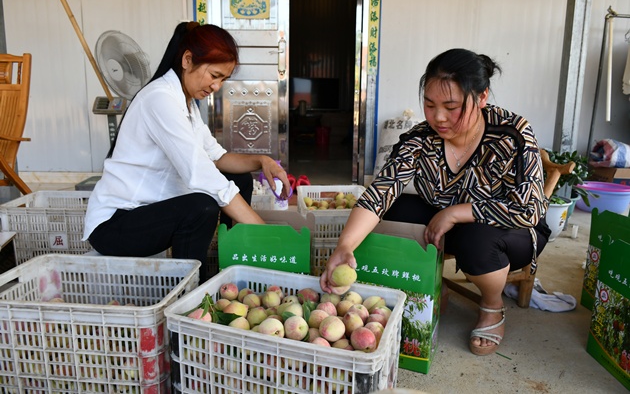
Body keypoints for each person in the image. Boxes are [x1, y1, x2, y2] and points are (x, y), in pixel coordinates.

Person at [320, 48, 550, 356]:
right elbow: (381, 191)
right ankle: (433, 283)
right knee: (394, 211)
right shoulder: (421, 138)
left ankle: (492, 305)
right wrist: (344, 246)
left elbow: (529, 209)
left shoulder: (512, 133)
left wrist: (457, 213)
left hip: (511, 230)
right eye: (429, 105)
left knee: (476, 239)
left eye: (451, 107)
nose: (438, 117)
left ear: (482, 97)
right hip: (443, 224)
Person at [83, 22, 291, 282]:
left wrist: (262, 160)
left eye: (223, 80)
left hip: (150, 212)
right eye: (214, 75)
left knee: (239, 179)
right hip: (116, 225)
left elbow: (217, 157)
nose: (216, 86)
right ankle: (193, 290)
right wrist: (264, 233)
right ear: (187, 60)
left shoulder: (187, 104)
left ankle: (232, 258)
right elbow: (200, 173)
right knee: (201, 207)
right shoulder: (159, 99)